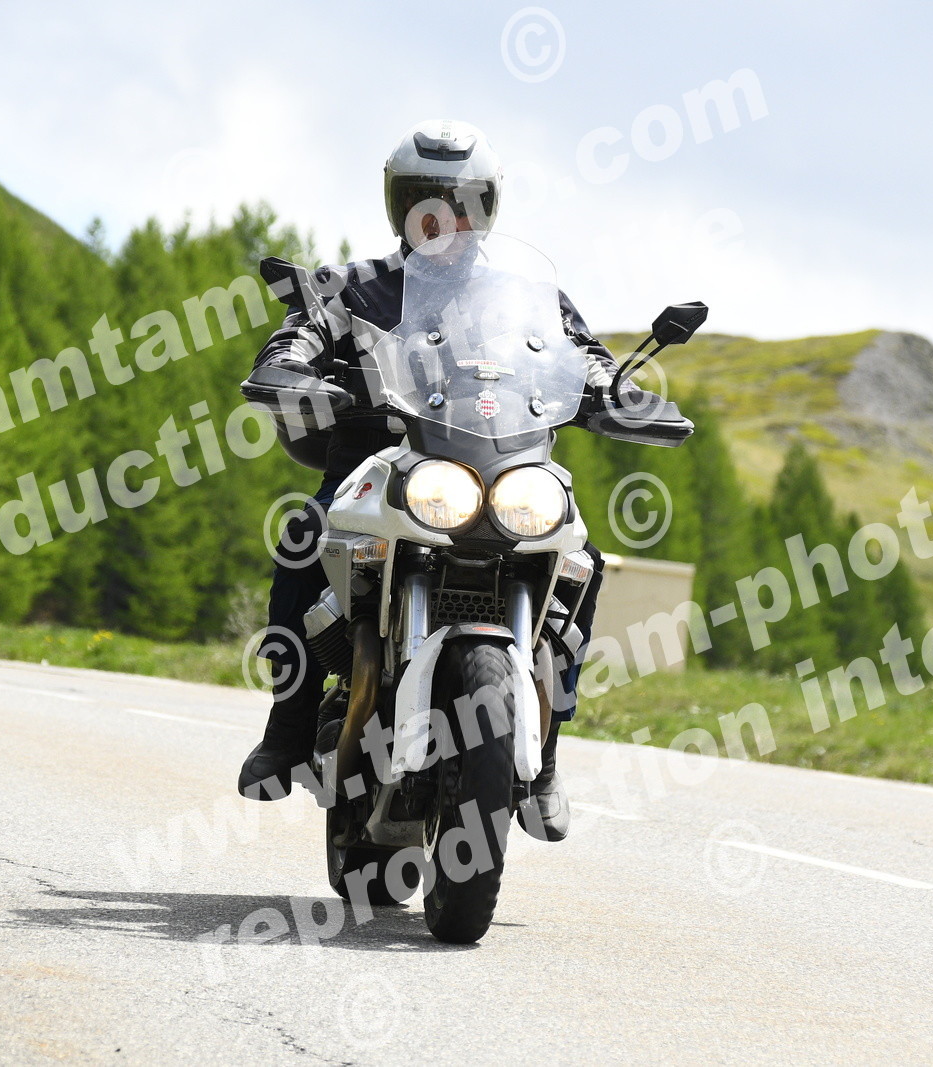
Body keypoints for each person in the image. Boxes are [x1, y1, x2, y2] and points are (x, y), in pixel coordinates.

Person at [237, 119, 643, 842]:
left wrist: (620, 392)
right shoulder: (351, 288)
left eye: (461, 202)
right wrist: (290, 367)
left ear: (486, 209)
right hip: (378, 469)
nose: (442, 218)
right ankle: (289, 724)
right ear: (399, 205)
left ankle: (547, 753)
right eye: (424, 200)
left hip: (501, 472)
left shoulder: (530, 297)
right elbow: (298, 335)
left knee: (582, 561)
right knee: (304, 533)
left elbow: (584, 355)